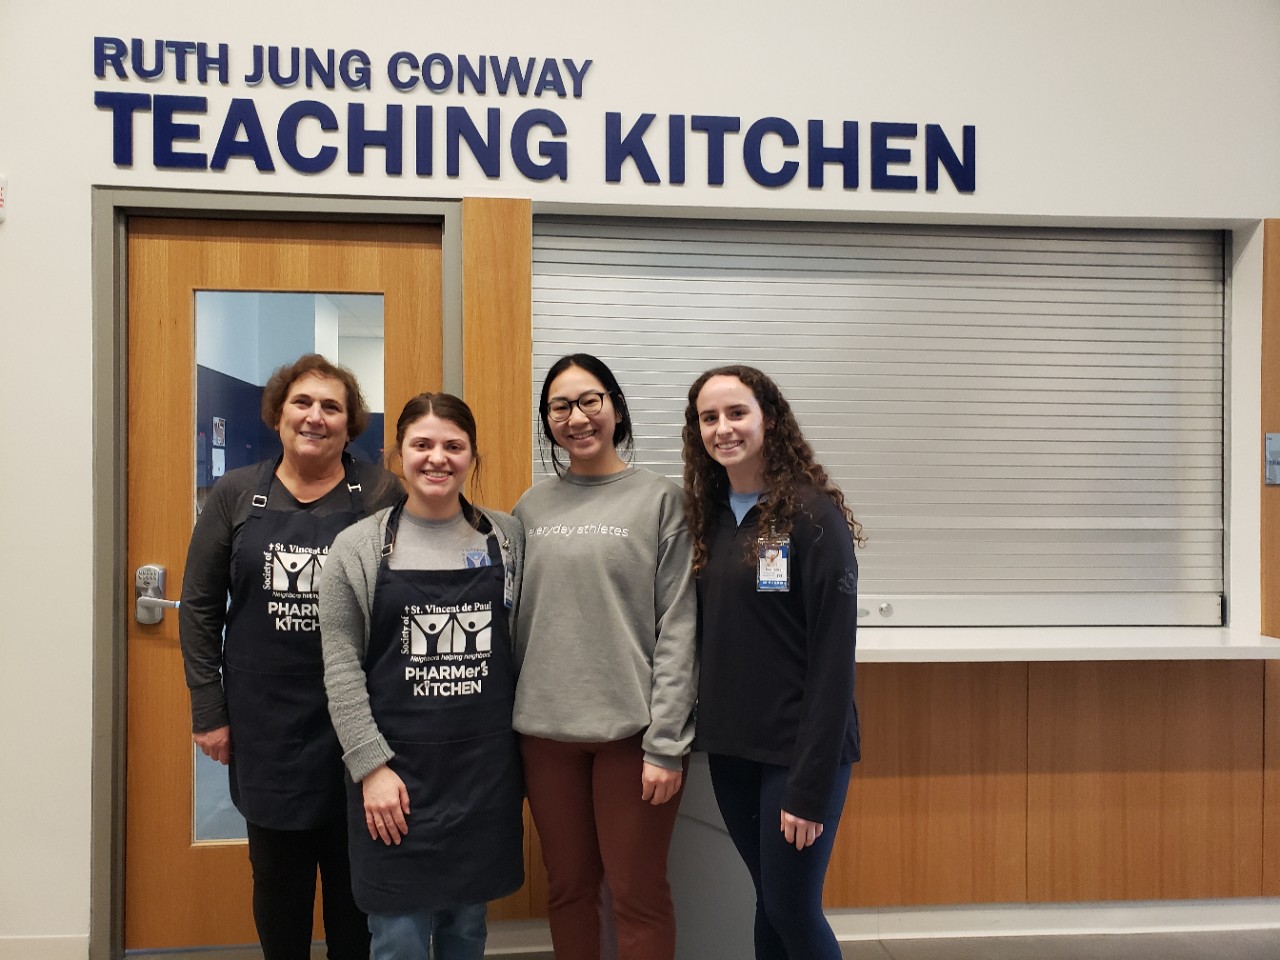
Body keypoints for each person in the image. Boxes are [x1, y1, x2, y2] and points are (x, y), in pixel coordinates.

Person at [180, 353, 402, 960]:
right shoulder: (234, 493)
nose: (315, 417)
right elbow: (198, 607)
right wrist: (208, 709)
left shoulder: (381, 493)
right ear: (278, 415)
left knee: (355, 889)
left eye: (331, 406)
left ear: (350, 423)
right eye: (302, 403)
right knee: (278, 887)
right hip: (265, 724)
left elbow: (401, 604)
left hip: (356, 720)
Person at [319, 392, 525, 960]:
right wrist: (371, 766)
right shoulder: (356, 549)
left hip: (482, 776)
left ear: (473, 457)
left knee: (466, 930)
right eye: (423, 445)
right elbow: (339, 666)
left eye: (453, 446)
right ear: (397, 455)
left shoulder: (508, 540)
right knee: (399, 938)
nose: (438, 458)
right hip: (394, 778)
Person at [513, 354, 697, 960]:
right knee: (567, 890)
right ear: (548, 422)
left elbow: (679, 626)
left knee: (637, 893)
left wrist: (666, 741)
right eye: (560, 406)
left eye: (590, 400)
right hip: (545, 734)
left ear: (615, 407)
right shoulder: (530, 509)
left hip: (633, 736)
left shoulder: (660, 500)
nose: (577, 417)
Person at [682, 364, 863, 960]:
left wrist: (809, 787)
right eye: (709, 417)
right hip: (734, 747)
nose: (723, 428)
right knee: (768, 899)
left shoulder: (812, 516)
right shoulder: (706, 516)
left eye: (737, 413)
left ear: (769, 419)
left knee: (792, 908)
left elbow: (834, 661)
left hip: (800, 752)